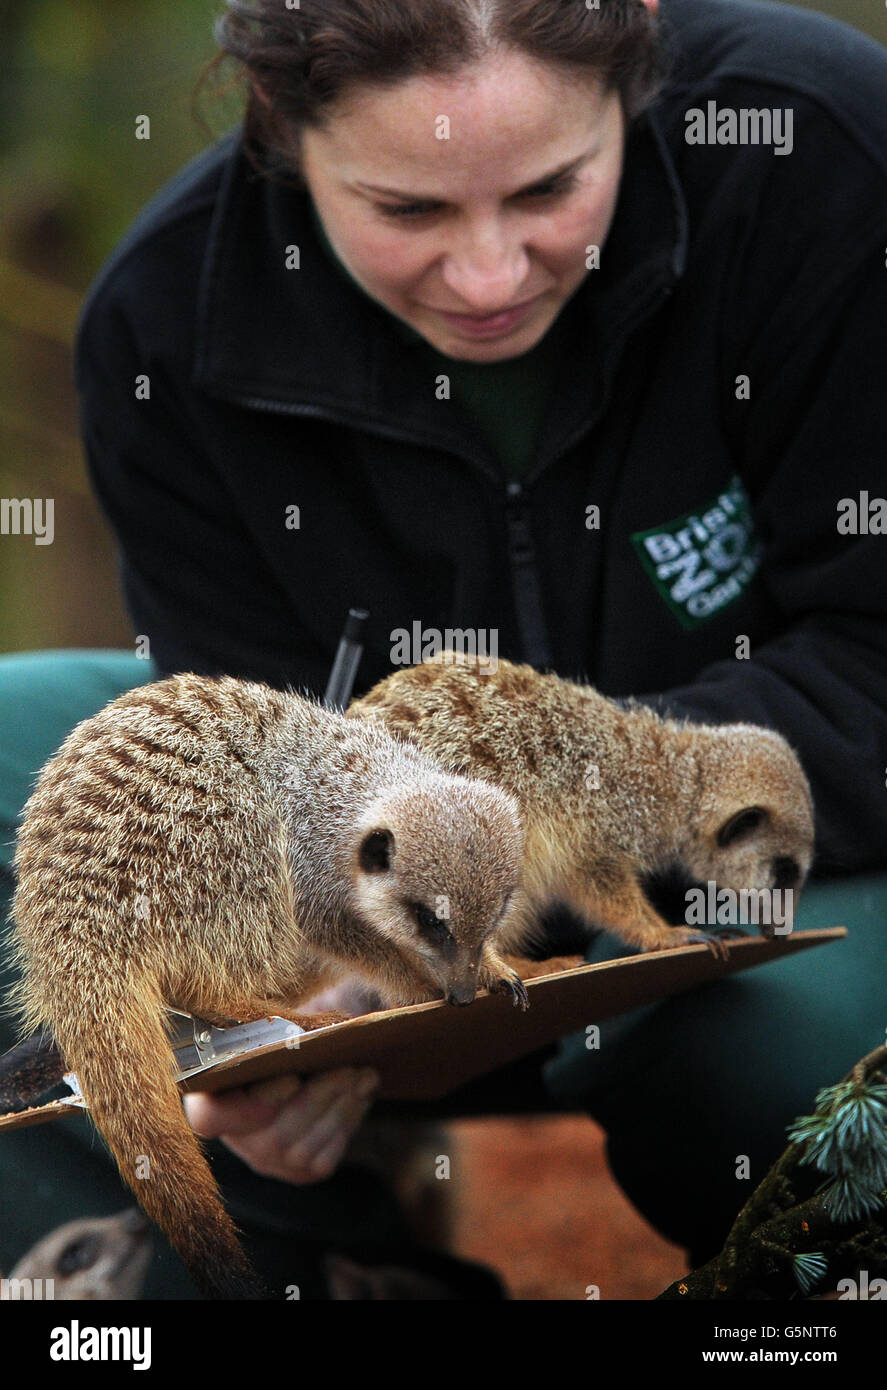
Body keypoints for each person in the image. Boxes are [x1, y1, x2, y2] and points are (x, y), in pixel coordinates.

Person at [1, 0, 886, 1298]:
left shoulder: (818, 153)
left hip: (806, 869)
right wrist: (268, 1035)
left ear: (636, 65)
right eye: (408, 212)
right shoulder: (162, 324)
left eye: (550, 188)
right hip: (420, 945)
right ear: (282, 131)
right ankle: (306, 1267)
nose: (490, 275)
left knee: (785, 1068)